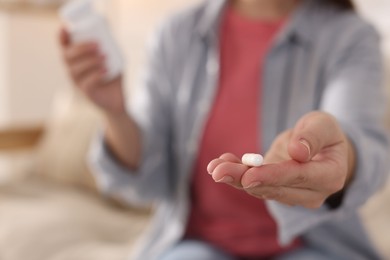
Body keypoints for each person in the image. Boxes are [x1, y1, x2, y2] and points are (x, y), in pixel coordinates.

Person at [59, 0, 390, 259]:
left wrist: (340, 155)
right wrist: (114, 112)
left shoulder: (350, 35)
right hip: (195, 243)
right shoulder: (176, 34)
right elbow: (146, 182)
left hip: (317, 246)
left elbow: (366, 144)